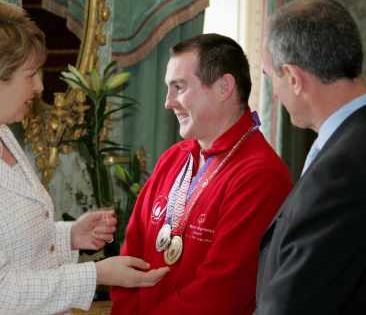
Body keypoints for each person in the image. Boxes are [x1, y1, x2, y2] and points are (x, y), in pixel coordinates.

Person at [0, 0, 169, 315]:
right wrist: (96, 274)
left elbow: (8, 240)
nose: (38, 87)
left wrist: (70, 235)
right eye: (30, 74)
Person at [110, 33, 292, 314]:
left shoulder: (261, 175)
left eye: (178, 87)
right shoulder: (173, 158)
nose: (168, 103)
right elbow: (129, 257)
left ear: (223, 87)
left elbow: (222, 292)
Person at [256, 0, 366, 315]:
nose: (273, 93)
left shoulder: (342, 169)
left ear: (294, 78)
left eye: (269, 77)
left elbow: (292, 303)